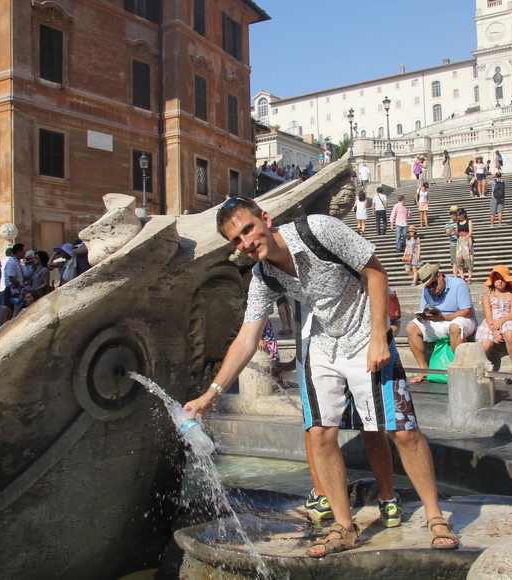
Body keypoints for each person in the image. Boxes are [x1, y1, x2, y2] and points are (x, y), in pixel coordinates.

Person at [182, 197, 457, 556]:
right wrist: (210, 396)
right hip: (324, 343)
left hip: (364, 331)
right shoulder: (263, 276)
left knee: (402, 431)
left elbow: (376, 272)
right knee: (319, 434)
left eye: (248, 229)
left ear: (265, 218)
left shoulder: (318, 229)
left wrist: (379, 337)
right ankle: (344, 526)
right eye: (236, 240)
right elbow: (247, 337)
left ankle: (435, 517)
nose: (246, 243)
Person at [406, 263, 476, 383]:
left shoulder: (458, 284)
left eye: (434, 284)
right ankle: (423, 368)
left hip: (461, 319)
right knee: (411, 327)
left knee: (455, 327)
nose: (432, 289)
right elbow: (424, 308)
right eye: (428, 287)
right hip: (438, 320)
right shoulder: (426, 289)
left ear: (440, 276)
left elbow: (466, 312)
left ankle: (460, 369)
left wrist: (444, 317)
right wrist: (423, 317)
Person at [477, 265, 512, 382]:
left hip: (507, 320)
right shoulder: (487, 295)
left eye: (503, 278)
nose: (500, 281)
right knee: (486, 345)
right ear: (492, 280)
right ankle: (477, 370)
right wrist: (495, 331)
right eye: (497, 278)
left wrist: (501, 321)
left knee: (510, 334)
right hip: (491, 322)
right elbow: (488, 315)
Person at [455, 208, 474, 284]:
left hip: (467, 239)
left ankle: (469, 277)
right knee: (459, 259)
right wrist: (455, 232)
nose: (459, 216)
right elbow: (457, 233)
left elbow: (470, 232)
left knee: (468, 258)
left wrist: (467, 237)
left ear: (464, 214)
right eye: (458, 215)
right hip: (460, 240)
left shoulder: (469, 221)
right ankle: (462, 277)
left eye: (460, 214)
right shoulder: (458, 223)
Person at [444, 206, 459, 277]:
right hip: (453, 243)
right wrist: (450, 229)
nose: (452, 215)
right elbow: (447, 233)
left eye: (454, 213)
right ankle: (455, 276)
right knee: (454, 261)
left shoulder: (461, 221)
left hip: (462, 242)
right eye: (451, 214)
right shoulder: (448, 223)